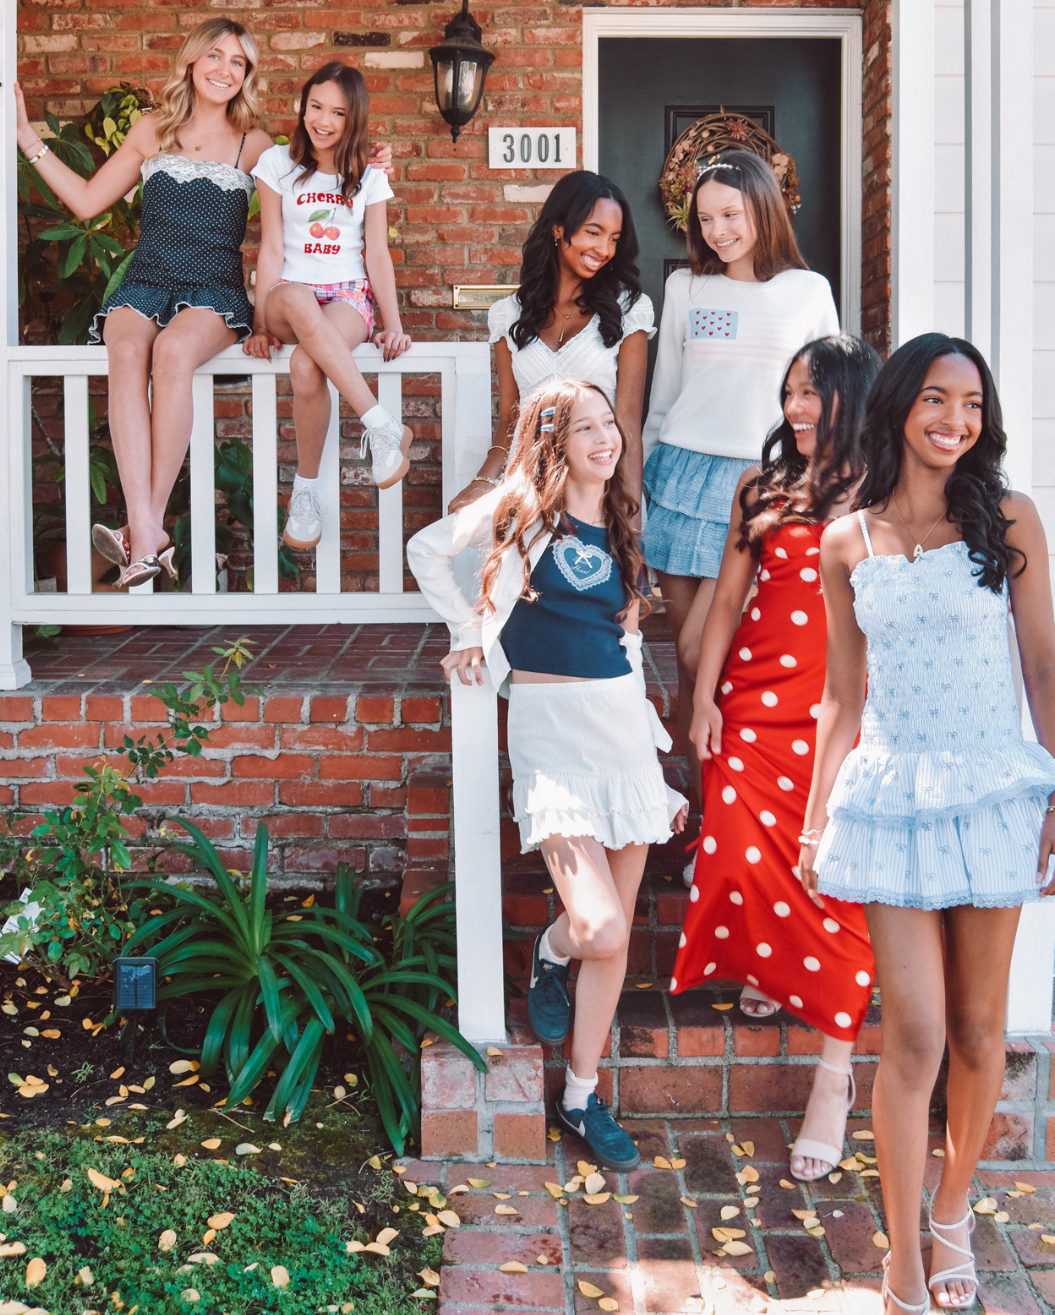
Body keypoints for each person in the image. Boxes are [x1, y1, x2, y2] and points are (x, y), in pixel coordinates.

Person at [797, 334, 1055, 1313]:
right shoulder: (845, 540)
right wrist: (816, 821)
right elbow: (837, 698)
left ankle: (952, 1208)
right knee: (911, 1034)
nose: (956, 421)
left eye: (972, 406)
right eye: (936, 401)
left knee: (980, 1031)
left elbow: (1040, 667)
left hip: (995, 790)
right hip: (892, 800)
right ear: (898, 406)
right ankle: (901, 1255)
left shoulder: (1009, 517)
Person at [408, 379, 688, 1169]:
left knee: (617, 938)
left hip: (622, 739)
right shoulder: (521, 510)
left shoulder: (623, 524)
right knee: (594, 927)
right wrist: (468, 627)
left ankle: (579, 1095)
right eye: (587, 428)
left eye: (611, 424)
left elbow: (627, 654)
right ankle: (549, 950)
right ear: (554, 440)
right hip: (552, 735)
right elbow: (425, 549)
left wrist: (659, 775)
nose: (606, 439)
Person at [14, 27, 391, 586]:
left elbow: (324, 161)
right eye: (215, 55)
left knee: (171, 354)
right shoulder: (152, 129)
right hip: (144, 281)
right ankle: (148, 534)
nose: (225, 69)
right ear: (191, 61)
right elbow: (89, 202)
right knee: (124, 352)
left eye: (238, 62)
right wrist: (26, 137)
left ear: (247, 76)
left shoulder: (257, 145)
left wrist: (371, 153)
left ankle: (142, 530)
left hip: (213, 290)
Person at [672, 333, 881, 1182]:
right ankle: (768, 962)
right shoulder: (757, 487)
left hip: (842, 712)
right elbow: (727, 599)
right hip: (753, 701)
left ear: (853, 400)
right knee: (736, 852)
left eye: (813, 394)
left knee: (839, 878)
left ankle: (832, 1075)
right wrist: (699, 702)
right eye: (789, 392)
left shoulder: (888, 492)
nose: (795, 409)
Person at [642, 151, 839, 874]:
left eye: (732, 214)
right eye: (706, 218)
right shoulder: (686, 287)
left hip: (766, 484)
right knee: (693, 674)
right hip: (683, 477)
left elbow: (826, 397)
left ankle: (750, 822)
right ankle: (710, 836)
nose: (719, 230)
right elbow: (663, 397)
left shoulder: (807, 291)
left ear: (763, 209)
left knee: (712, 654)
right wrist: (641, 475)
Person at [245, 63, 412, 551]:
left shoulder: (369, 174)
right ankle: (381, 425)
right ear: (303, 106)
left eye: (337, 112)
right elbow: (271, 247)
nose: (322, 120)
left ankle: (305, 494)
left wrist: (394, 325)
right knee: (296, 296)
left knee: (304, 364)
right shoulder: (277, 164)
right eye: (315, 106)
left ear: (353, 117)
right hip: (287, 293)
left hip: (347, 295)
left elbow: (376, 254)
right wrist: (259, 324)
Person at [449, 171, 653, 513]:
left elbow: (627, 423)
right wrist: (481, 483)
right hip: (527, 492)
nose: (604, 250)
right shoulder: (507, 315)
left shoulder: (629, 310)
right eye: (593, 232)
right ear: (558, 228)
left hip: (598, 494)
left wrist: (630, 521)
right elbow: (511, 420)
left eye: (614, 239)